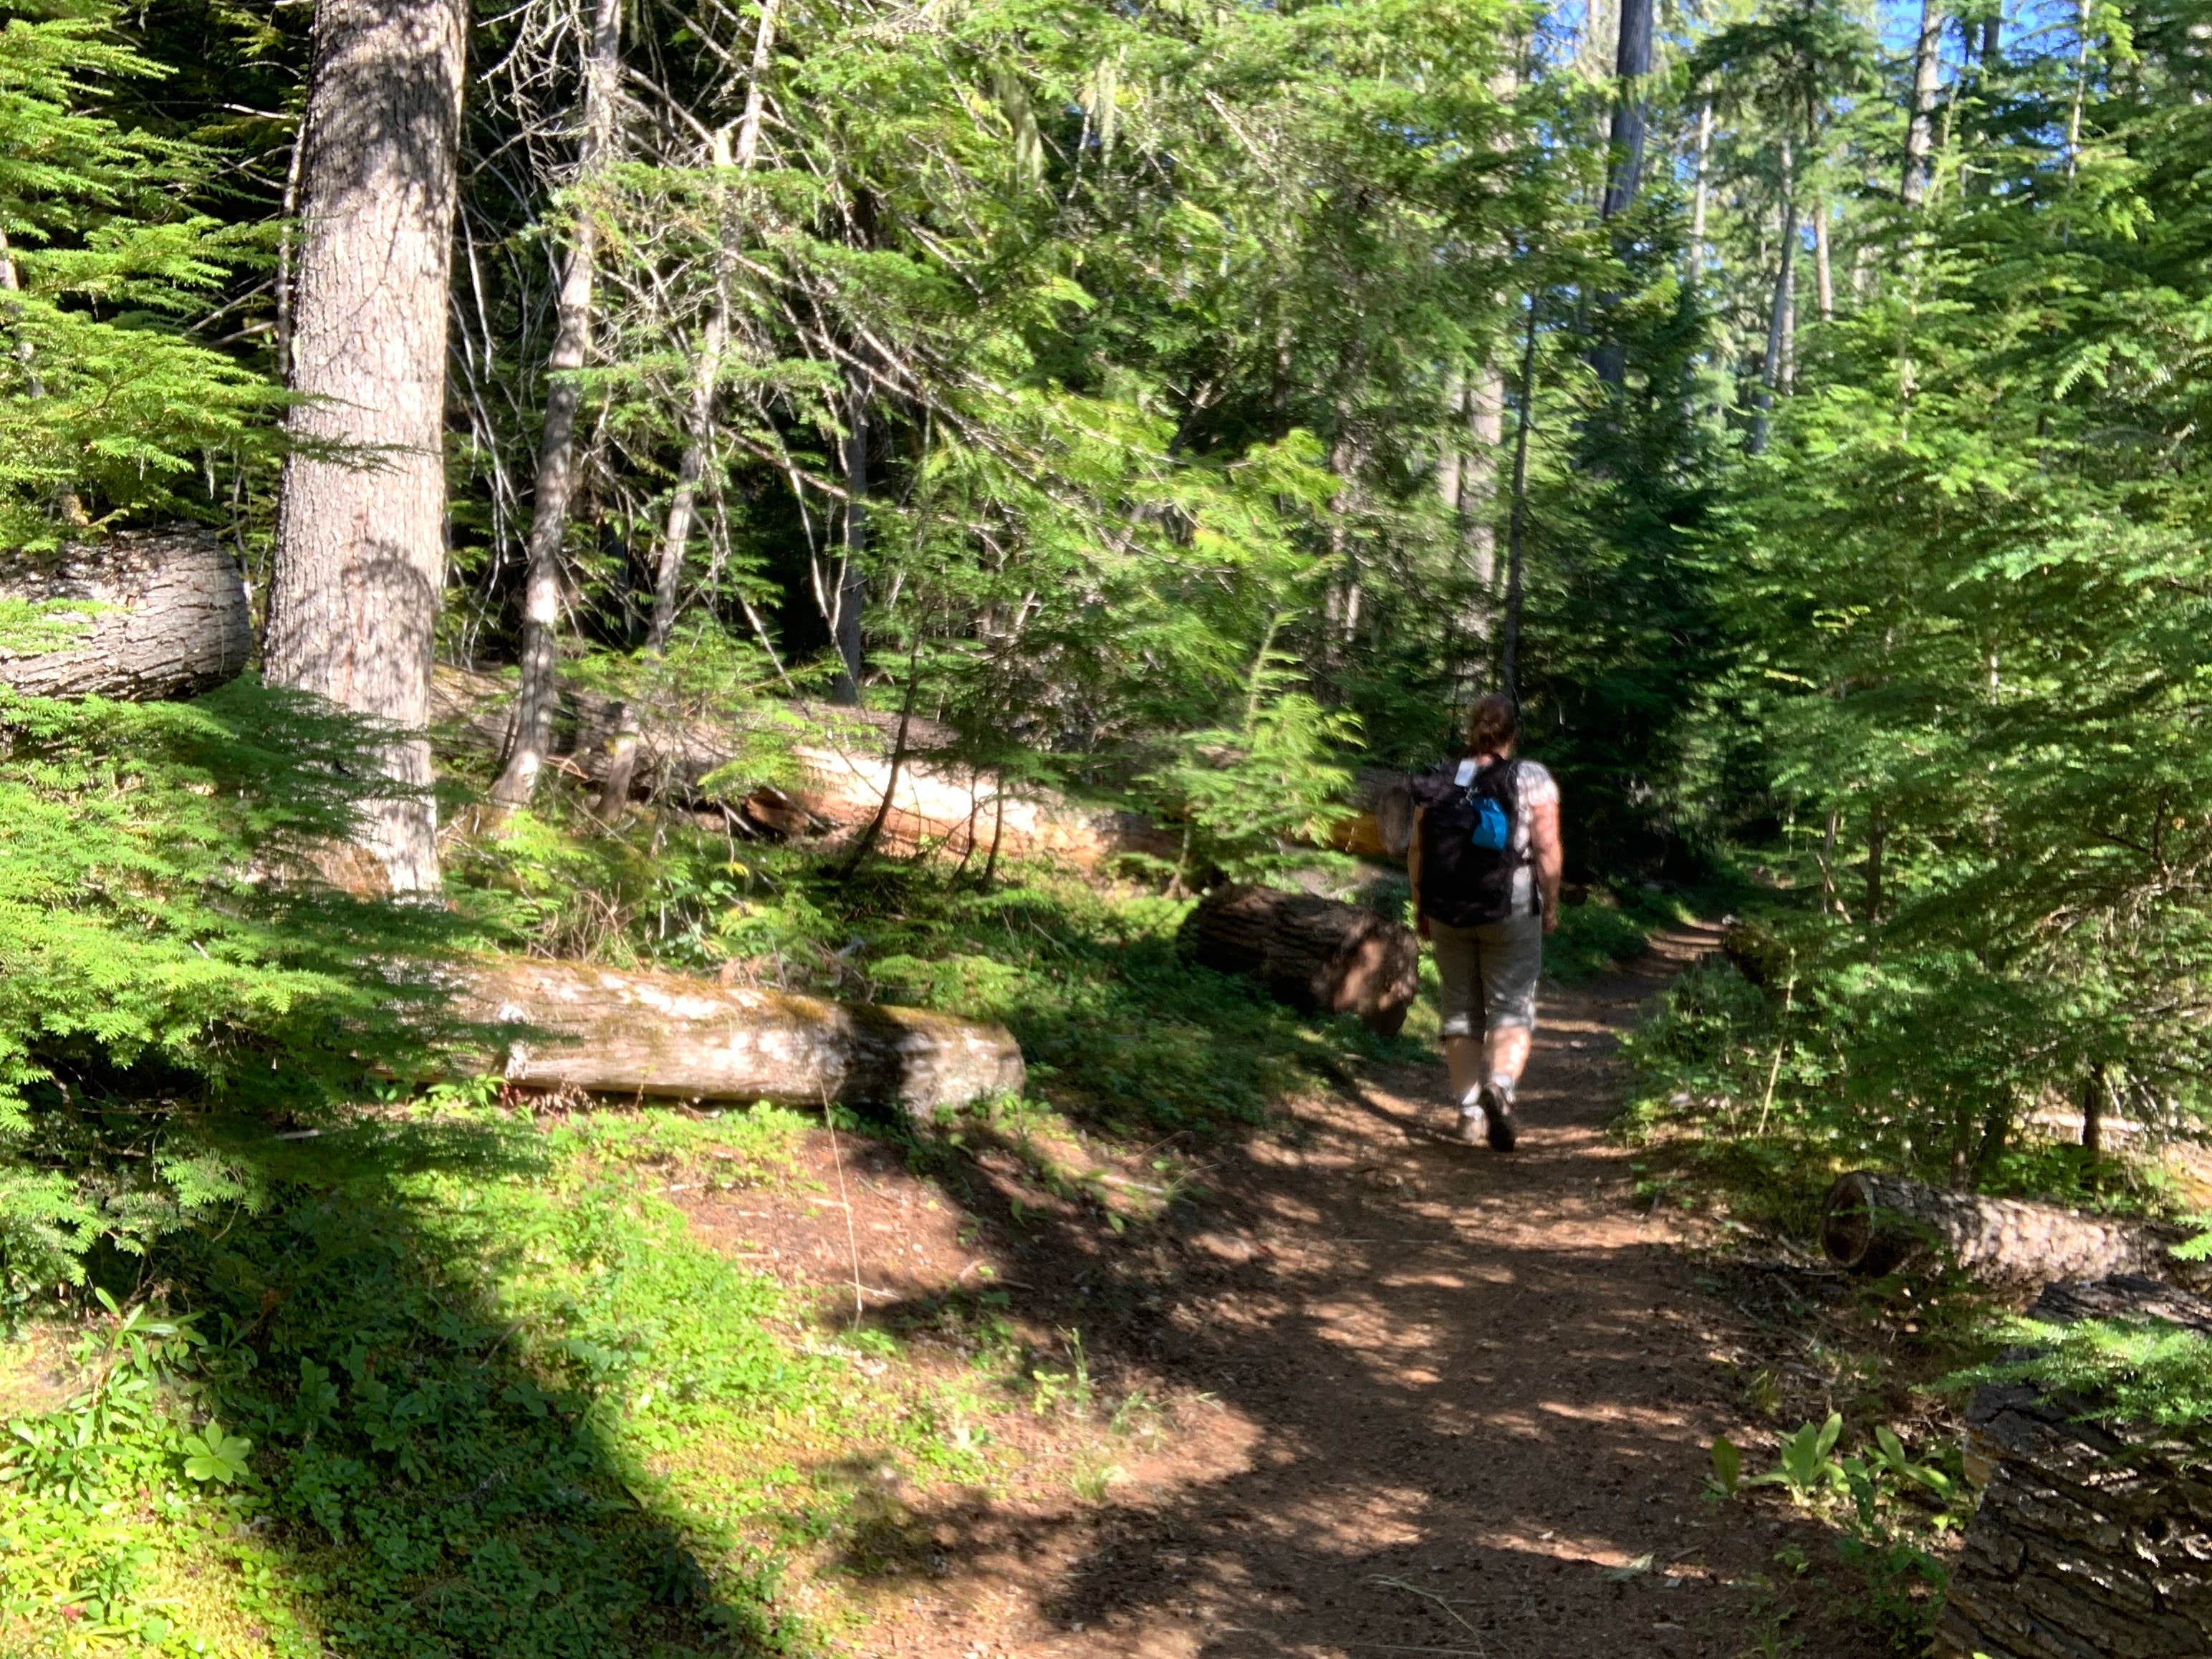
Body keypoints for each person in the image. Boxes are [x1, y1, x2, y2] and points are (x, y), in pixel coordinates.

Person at [1405, 694, 1563, 1148]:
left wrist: (1421, 904)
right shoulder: (1532, 778)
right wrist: (1550, 904)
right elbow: (1548, 849)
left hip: (1448, 906)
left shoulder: (1442, 778)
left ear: (1471, 731)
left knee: (1459, 1007)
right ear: (1513, 735)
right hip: (1509, 904)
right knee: (1512, 1003)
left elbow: (1419, 850)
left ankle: (1470, 1112)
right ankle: (1502, 1087)